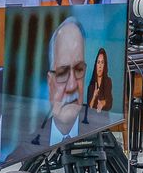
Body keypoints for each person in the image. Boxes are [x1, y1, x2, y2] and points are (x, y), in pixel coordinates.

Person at [16, 18, 106, 157]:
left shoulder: (103, 136)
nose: (72, 85)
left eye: (78, 70)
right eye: (62, 73)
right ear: (50, 83)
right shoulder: (25, 151)